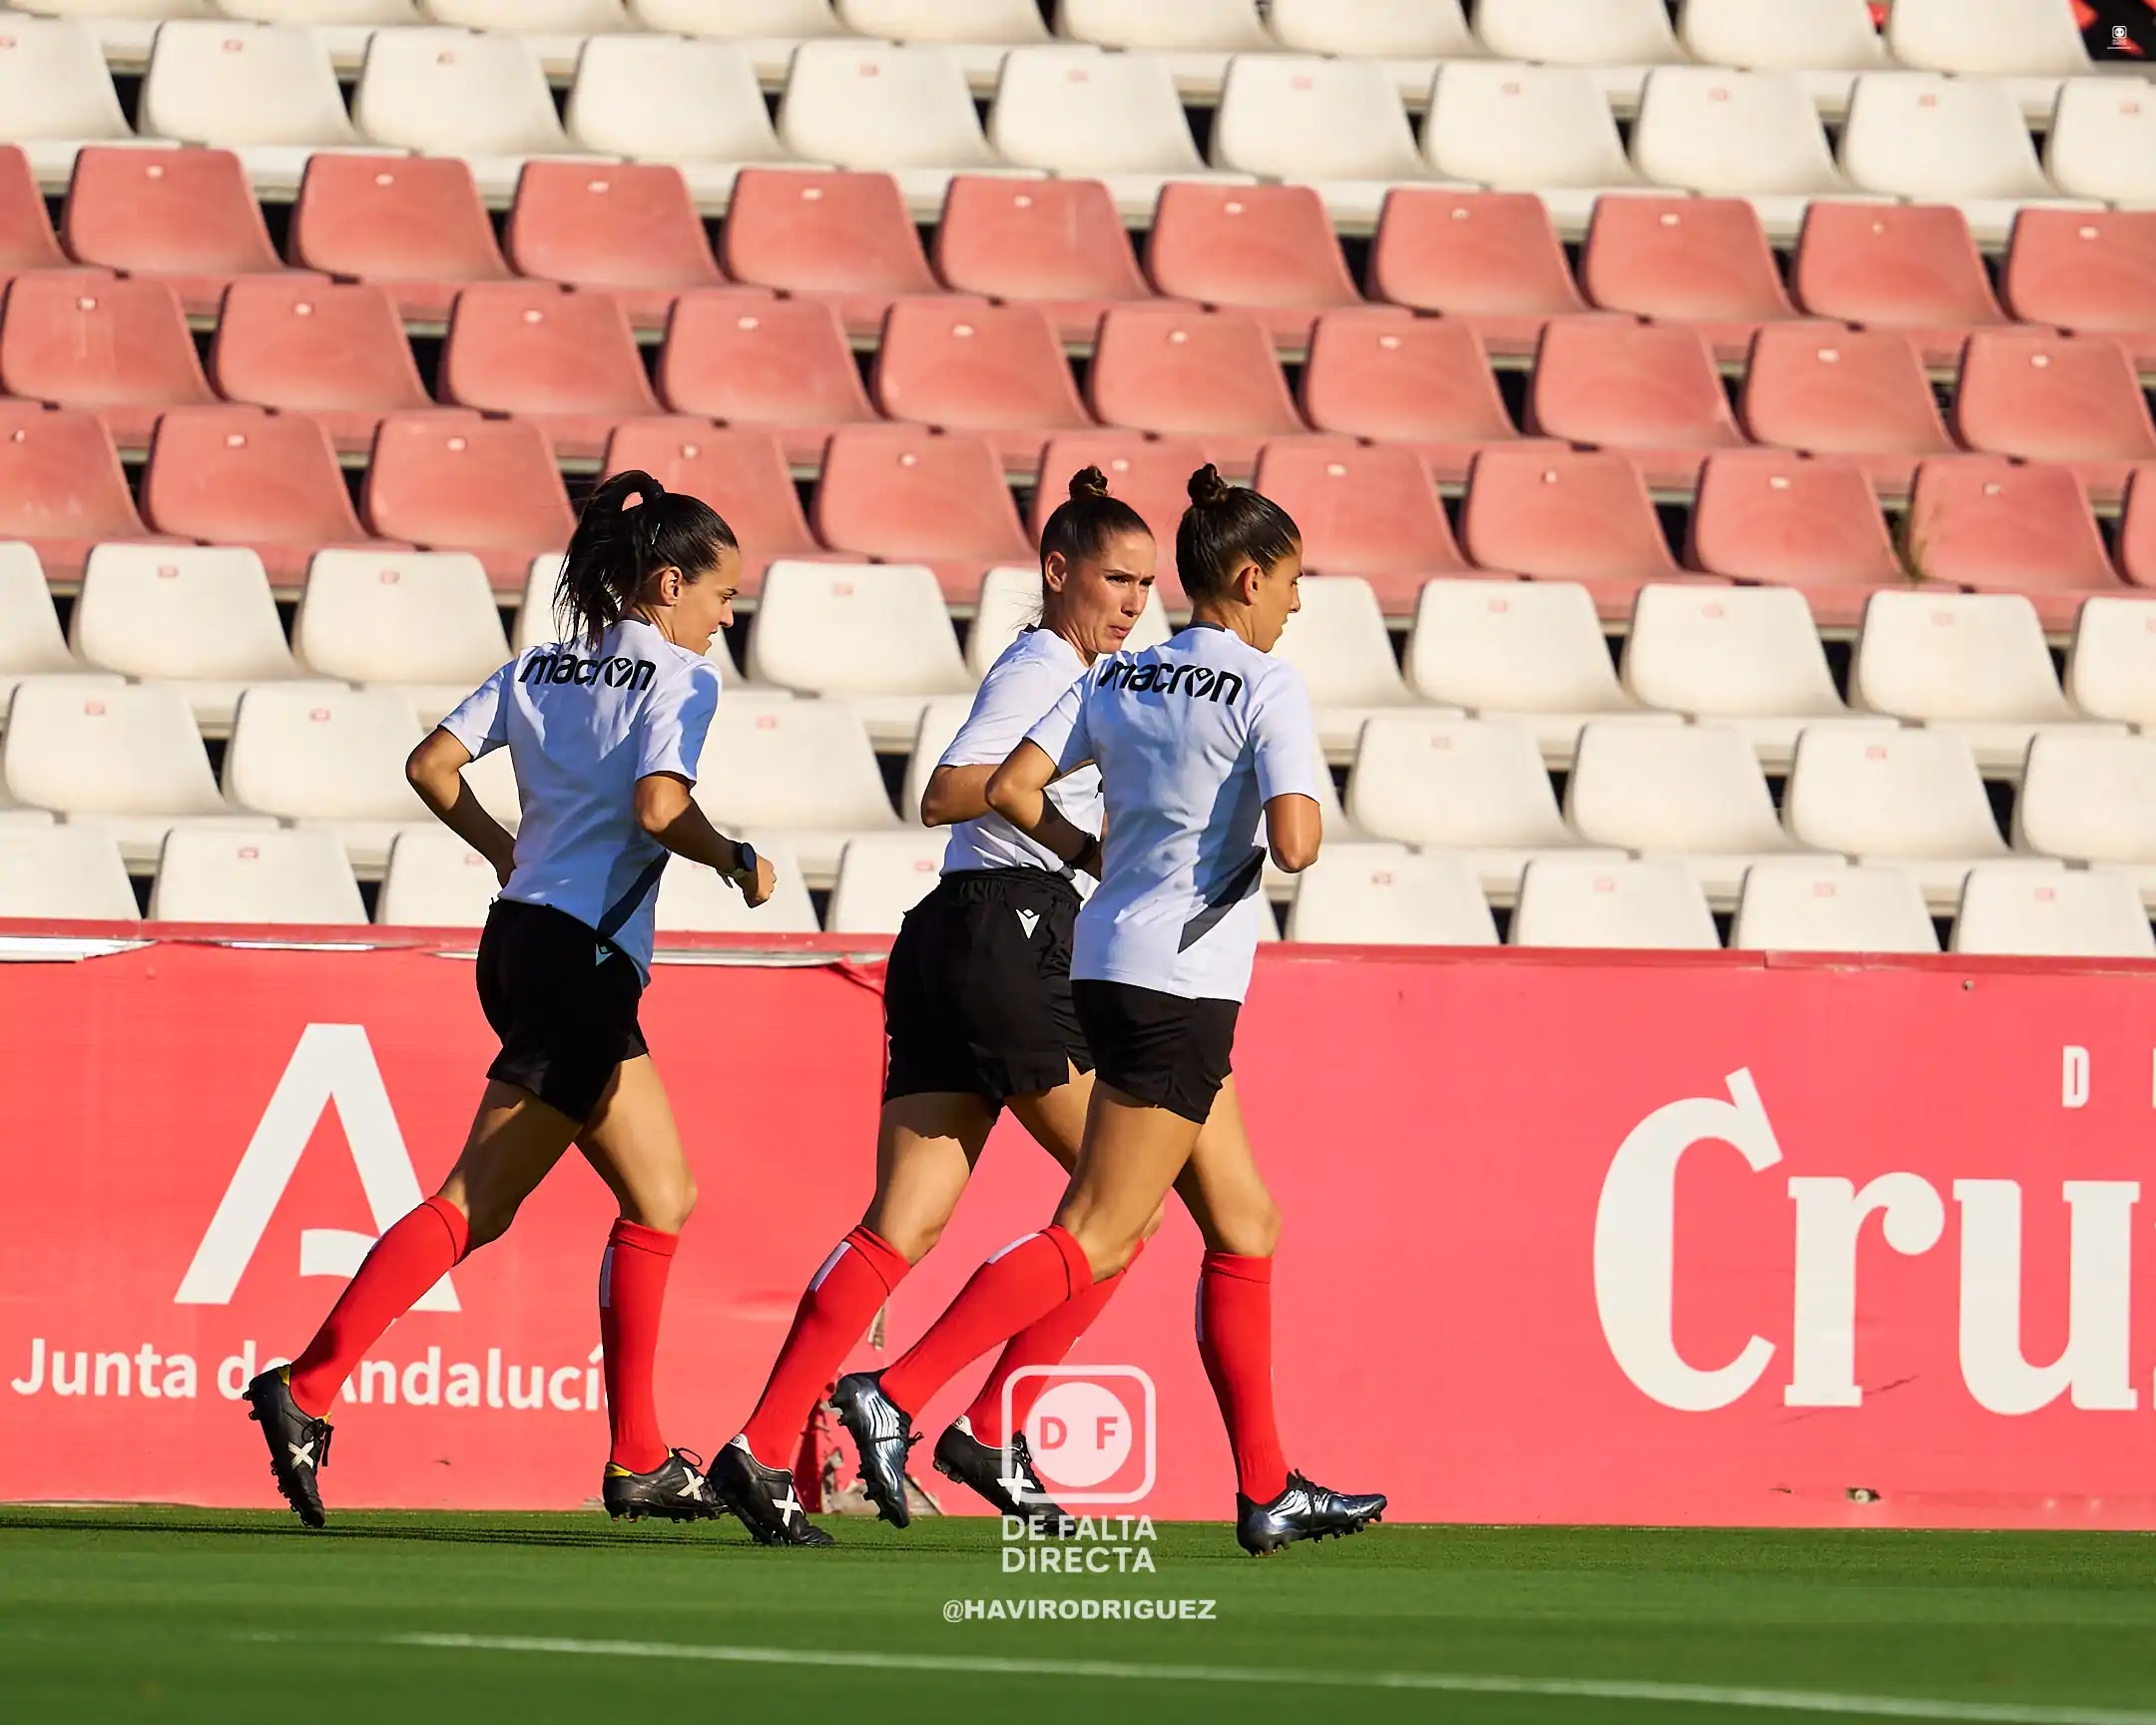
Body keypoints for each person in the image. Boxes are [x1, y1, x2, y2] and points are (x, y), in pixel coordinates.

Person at [832, 466, 1386, 1557]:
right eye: (1292, 581)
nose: (1297, 604)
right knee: (1101, 1229)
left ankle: (1266, 1483)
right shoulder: (1269, 687)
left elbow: (1008, 789)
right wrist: (1243, 838)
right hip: (1183, 981)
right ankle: (900, 1393)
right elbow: (1299, 844)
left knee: (1245, 1222)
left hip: (1102, 956)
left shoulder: (1120, 679)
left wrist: (1107, 852)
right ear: (1248, 576)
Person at [245, 471, 778, 1529]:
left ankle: (639, 1457)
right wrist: (734, 860)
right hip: (580, 963)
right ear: (667, 584)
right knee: (475, 1202)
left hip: (521, 942)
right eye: (721, 594)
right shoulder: (679, 679)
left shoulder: (536, 662)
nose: (729, 615)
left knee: (662, 1196)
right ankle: (305, 1387)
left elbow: (431, 765)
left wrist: (508, 853)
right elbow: (661, 804)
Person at [710, 469, 1163, 1547]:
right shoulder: (1049, 663)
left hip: (954, 938)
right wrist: (1082, 848)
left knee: (902, 1223)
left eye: (1148, 584)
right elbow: (951, 790)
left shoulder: (1071, 665)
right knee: (1126, 1206)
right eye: (1118, 579)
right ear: (1058, 573)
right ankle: (975, 1418)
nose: (1136, 603)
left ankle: (760, 1445)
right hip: (1009, 928)